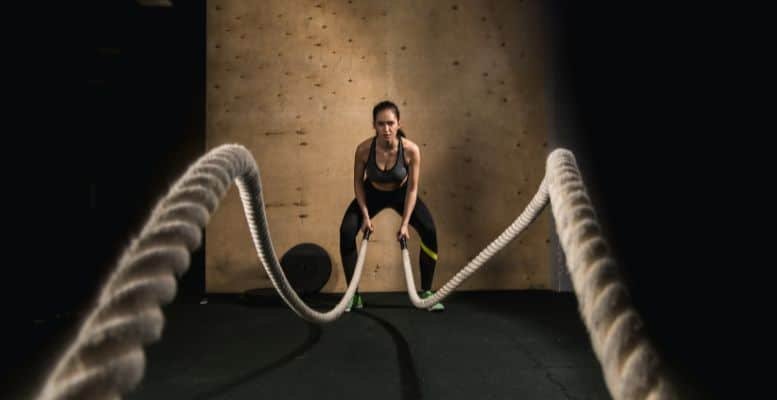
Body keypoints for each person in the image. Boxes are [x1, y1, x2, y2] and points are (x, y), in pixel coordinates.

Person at [339, 100, 444, 312]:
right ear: (374, 125)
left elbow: (413, 189)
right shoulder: (363, 150)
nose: (386, 129)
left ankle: (426, 292)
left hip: (402, 193)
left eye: (390, 123)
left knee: (429, 231)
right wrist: (365, 216)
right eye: (380, 124)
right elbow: (358, 183)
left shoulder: (411, 150)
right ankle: (353, 295)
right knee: (346, 231)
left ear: (398, 123)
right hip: (372, 193)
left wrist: (405, 224)